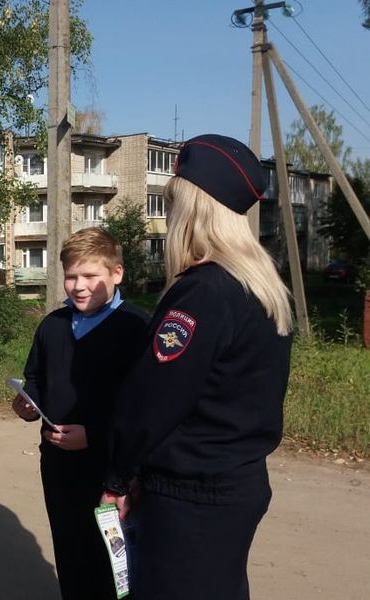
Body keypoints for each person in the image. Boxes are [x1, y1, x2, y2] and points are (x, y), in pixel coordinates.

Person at [101, 134, 294, 600]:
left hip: (192, 495)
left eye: (173, 203)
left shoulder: (204, 292)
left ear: (194, 208)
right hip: (237, 481)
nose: (169, 216)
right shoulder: (262, 287)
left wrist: (116, 478)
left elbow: (154, 400)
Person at [12, 227, 149, 600]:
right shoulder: (52, 326)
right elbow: (37, 378)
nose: (79, 286)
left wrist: (95, 435)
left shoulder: (137, 328)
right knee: (71, 556)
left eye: (91, 276)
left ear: (117, 274)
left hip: (111, 473)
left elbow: (146, 407)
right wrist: (27, 403)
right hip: (58, 468)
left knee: (116, 569)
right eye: (71, 276)